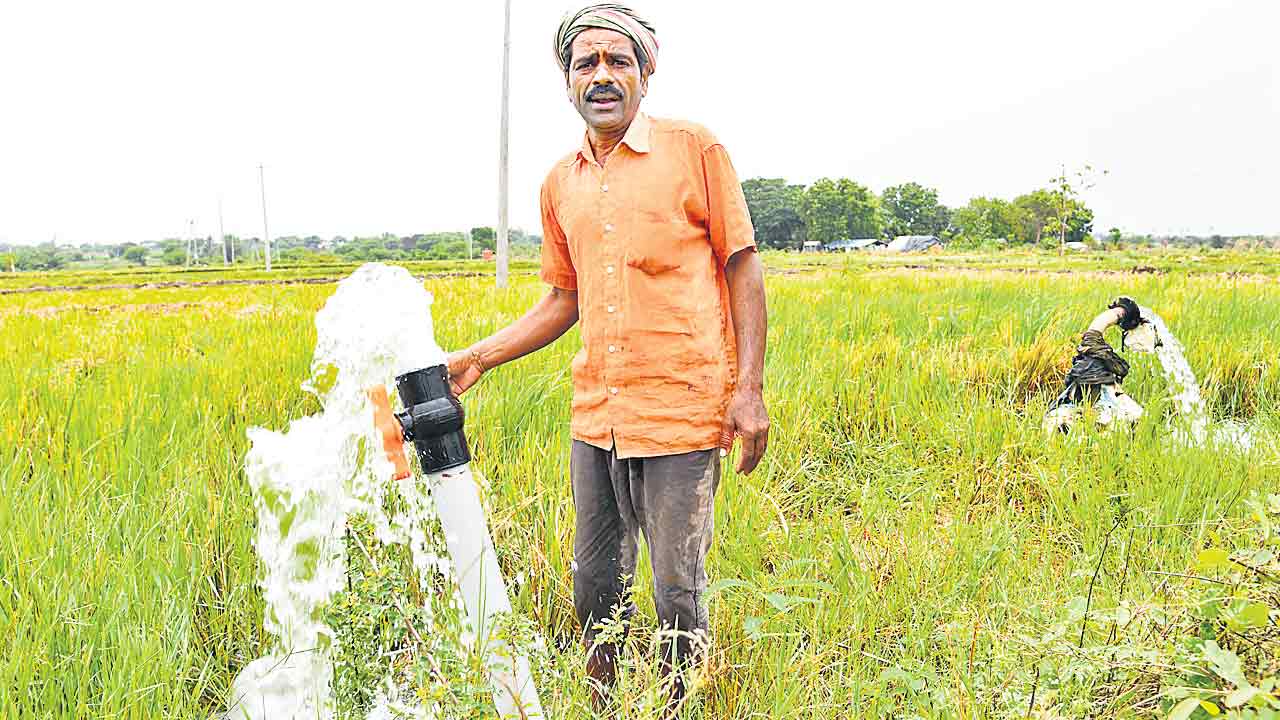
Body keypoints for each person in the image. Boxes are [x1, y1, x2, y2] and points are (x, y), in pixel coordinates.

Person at [444, 2, 769, 708]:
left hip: (681, 410)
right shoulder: (560, 183)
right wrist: (480, 357)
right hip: (598, 415)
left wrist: (749, 389)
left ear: (645, 74)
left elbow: (742, 265)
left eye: (617, 61)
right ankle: (604, 704)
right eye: (584, 62)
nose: (601, 75)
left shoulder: (694, 149)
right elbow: (564, 299)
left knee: (675, 587)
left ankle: (678, 704)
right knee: (594, 583)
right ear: (566, 82)